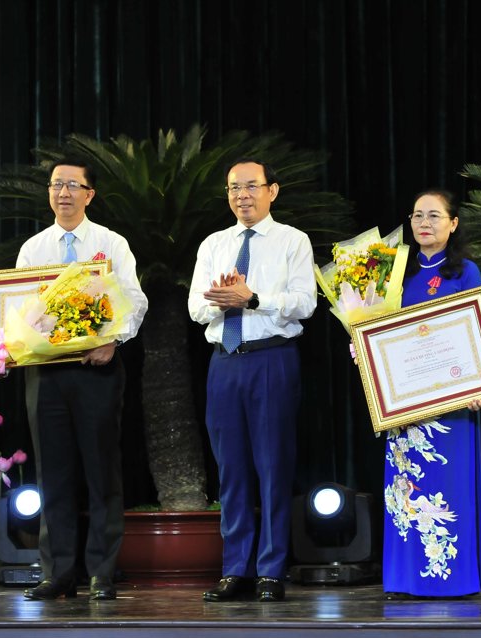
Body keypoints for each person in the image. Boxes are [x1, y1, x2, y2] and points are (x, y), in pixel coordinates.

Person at [0, 160, 148, 601]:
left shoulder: (111, 243)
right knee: (53, 473)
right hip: (45, 374)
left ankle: (102, 574)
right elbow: (17, 312)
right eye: (56, 185)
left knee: (101, 470)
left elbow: (135, 299)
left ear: (90, 194)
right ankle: (58, 573)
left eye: (73, 185)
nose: (63, 192)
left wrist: (115, 341)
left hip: (97, 368)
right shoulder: (33, 248)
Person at [188, 159, 317, 603]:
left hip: (271, 360)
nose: (242, 195)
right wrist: (222, 303)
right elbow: (195, 308)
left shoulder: (292, 242)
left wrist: (253, 298)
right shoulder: (213, 244)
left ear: (272, 191)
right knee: (231, 471)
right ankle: (235, 568)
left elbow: (305, 303)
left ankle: (271, 570)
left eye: (251, 187)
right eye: (233, 188)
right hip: (224, 361)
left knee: (272, 466)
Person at [382, 189, 481, 598]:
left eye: (434, 215)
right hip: (406, 407)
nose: (424, 223)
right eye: (417, 215)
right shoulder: (396, 276)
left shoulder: (467, 273)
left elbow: (477, 334)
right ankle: (404, 580)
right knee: (405, 492)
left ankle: (453, 579)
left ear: (453, 223)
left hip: (453, 407)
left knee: (450, 486)